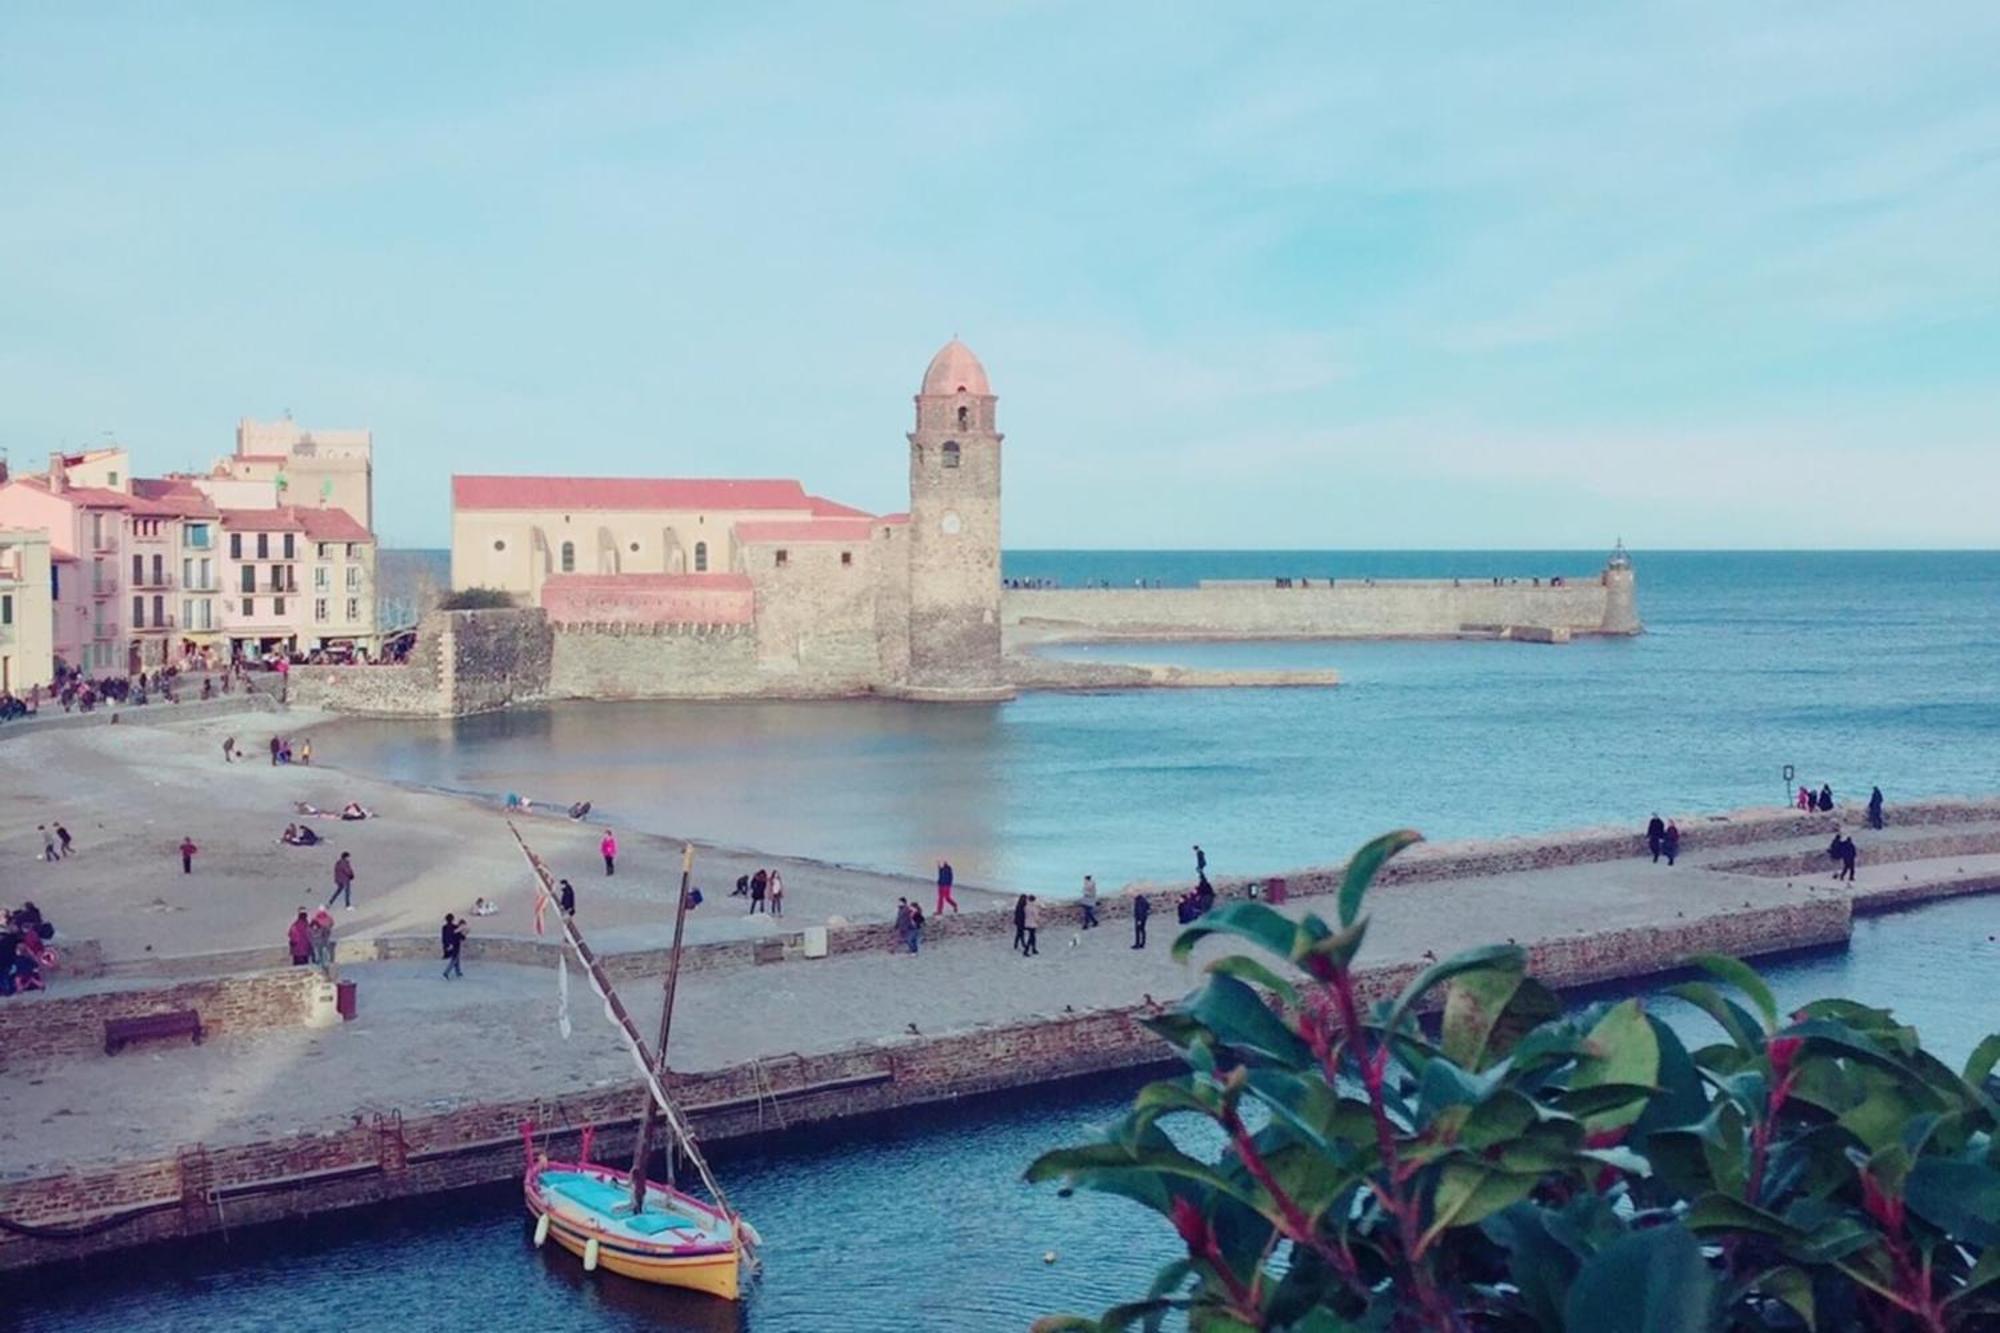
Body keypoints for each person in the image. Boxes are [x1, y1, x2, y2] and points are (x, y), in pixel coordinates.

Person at [440, 913, 466, 979]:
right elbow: (460, 936)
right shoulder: (455, 927)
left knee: (457, 959)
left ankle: (458, 972)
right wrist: (464, 935)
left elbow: (443, 937)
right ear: (453, 919)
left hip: (447, 945)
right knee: (454, 959)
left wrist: (445, 945)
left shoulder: (444, 927)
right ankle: (446, 972)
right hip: (455, 946)